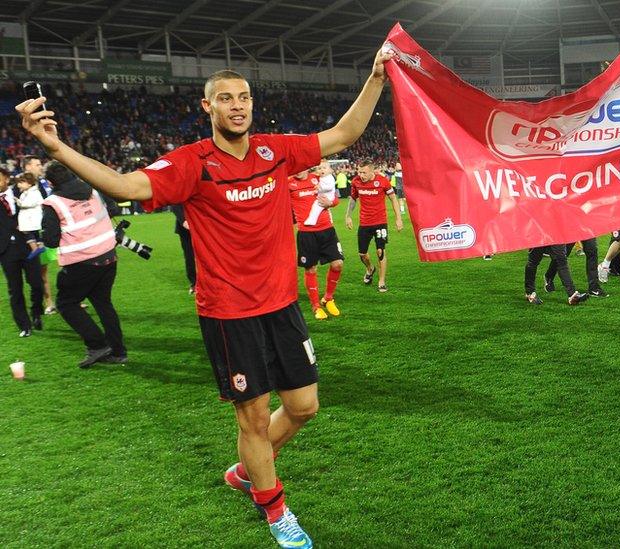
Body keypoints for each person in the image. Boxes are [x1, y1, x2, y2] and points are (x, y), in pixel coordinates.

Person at [17, 48, 393, 548]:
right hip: (228, 311)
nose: (237, 106)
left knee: (303, 407)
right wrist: (57, 149)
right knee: (253, 416)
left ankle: (247, 470)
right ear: (207, 106)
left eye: (244, 97)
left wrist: (374, 79)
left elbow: (344, 134)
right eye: (225, 99)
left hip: (281, 303)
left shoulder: (275, 150)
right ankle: (275, 507)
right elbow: (126, 184)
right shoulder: (190, 162)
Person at [40, 162, 127, 367]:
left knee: (66, 304)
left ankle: (97, 344)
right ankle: (118, 351)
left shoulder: (53, 202)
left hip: (81, 262)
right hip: (108, 255)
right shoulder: (93, 188)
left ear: (51, 182)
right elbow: (113, 208)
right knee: (103, 303)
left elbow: (51, 240)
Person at [289, 164, 343, 320]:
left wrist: (330, 203)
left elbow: (335, 198)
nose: (297, 169)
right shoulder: (289, 184)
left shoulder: (318, 178)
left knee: (337, 264)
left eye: (300, 166)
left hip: (327, 230)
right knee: (311, 269)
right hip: (306, 233)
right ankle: (316, 306)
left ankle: (328, 298)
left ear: (306, 167)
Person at [345, 160, 403, 293]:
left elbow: (393, 198)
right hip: (364, 223)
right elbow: (353, 199)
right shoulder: (356, 182)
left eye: (364, 172)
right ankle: (370, 268)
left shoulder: (382, 181)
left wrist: (398, 218)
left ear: (372, 171)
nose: (361, 175)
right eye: (359, 172)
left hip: (380, 222)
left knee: (380, 251)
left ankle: (381, 281)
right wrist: (348, 216)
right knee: (362, 254)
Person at [0, 167, 44, 337]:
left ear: (6, 179)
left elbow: (38, 213)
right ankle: (24, 325)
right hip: (5, 251)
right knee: (15, 289)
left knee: (37, 284)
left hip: (27, 246)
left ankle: (36, 312)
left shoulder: (24, 193)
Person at [23, 155, 56, 314]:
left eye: (40, 164)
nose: (40, 166)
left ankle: (74, 300)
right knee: (42, 271)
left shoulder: (44, 182)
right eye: (37, 164)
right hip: (34, 234)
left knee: (69, 263)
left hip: (51, 229)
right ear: (27, 167)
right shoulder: (20, 185)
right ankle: (49, 303)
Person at [544, 238, 608, 298]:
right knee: (563, 255)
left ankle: (594, 288)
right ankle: (549, 276)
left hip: (585, 227)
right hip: (570, 228)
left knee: (592, 250)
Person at [13, 173, 48, 260]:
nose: (18, 185)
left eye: (21, 182)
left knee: (28, 232)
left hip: (32, 218)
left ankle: (35, 248)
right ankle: (39, 246)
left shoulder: (34, 193)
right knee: (34, 233)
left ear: (29, 183)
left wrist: (18, 201)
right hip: (29, 218)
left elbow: (27, 204)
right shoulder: (25, 193)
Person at [171, 204, 196, 294]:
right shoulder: (179, 190)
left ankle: (211, 281)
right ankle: (194, 283)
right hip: (185, 228)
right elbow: (175, 206)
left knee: (208, 255)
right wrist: (183, 221)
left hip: (202, 225)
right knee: (189, 256)